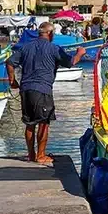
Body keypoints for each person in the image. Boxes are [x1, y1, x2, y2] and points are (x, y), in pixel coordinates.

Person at [7, 21, 86, 165]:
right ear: (50, 33)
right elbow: (71, 62)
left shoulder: (26, 47)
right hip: (42, 89)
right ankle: (41, 155)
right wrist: (80, 53)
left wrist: (12, 81)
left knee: (30, 123)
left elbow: (10, 62)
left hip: (26, 89)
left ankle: (31, 155)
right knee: (44, 123)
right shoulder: (53, 48)